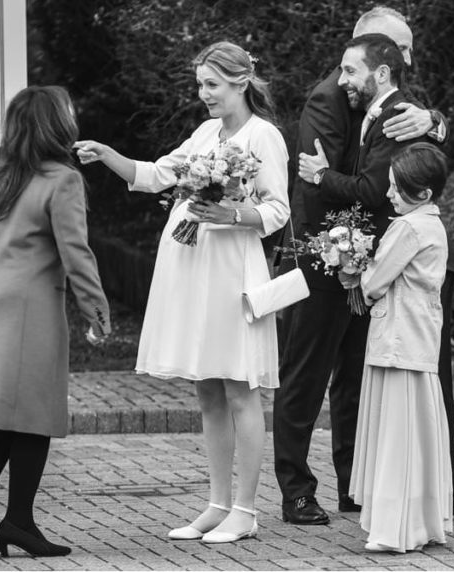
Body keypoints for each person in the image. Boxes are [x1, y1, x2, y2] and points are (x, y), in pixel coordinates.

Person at [75, 41, 289, 542]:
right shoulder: (205, 132)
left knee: (240, 388)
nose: (204, 94)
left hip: (231, 268)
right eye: (200, 85)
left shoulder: (265, 136)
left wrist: (231, 214)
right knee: (208, 388)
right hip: (193, 271)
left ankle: (246, 509)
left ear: (240, 82)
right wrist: (109, 156)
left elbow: (278, 210)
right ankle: (216, 503)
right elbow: (156, 176)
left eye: (212, 84)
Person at [274, 7, 454, 526]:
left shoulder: (403, 105)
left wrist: (438, 123)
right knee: (305, 376)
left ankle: (354, 485)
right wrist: (337, 253)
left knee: (355, 379)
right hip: (327, 258)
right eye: (400, 50)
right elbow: (314, 184)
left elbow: (429, 164)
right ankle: (296, 489)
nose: (408, 59)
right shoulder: (328, 97)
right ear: (372, 49)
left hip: (374, 263)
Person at [0, 86, 111, 557]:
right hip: (29, 308)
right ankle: (18, 521)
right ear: (54, 125)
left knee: (3, 419)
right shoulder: (63, 180)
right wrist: (97, 313)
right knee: (34, 418)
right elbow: (75, 252)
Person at [350, 142, 453, 552]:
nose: (389, 194)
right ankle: (417, 521)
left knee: (396, 434)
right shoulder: (432, 224)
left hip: (398, 340)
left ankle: (395, 528)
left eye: (396, 188)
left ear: (423, 194)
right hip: (417, 338)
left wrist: (353, 270)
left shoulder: (408, 228)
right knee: (416, 433)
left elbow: (374, 283)